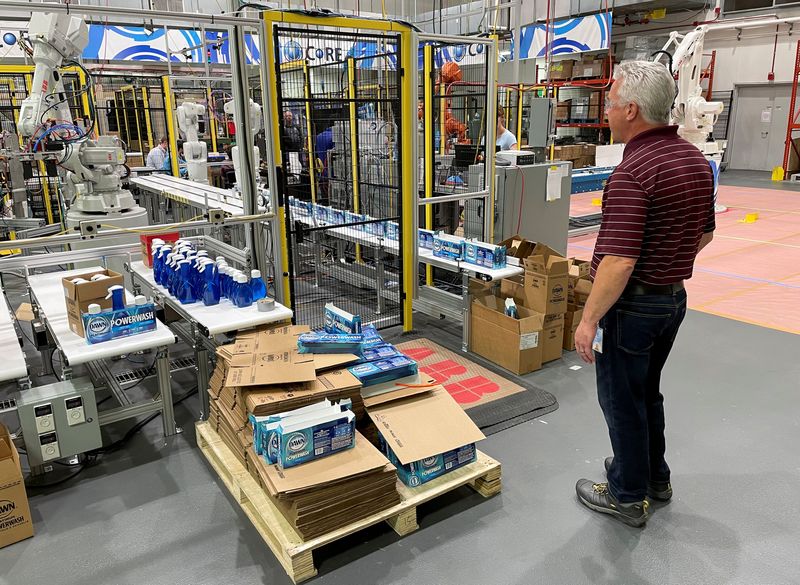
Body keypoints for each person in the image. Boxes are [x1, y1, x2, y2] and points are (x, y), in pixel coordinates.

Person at [573, 61, 716, 527]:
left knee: (620, 399)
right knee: (647, 392)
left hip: (632, 307)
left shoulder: (635, 171)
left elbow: (618, 261)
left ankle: (627, 494)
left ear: (631, 109)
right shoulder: (693, 160)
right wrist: (667, 261)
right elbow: (705, 234)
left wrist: (589, 320)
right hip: (672, 301)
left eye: (610, 103)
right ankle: (655, 477)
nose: (607, 112)